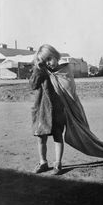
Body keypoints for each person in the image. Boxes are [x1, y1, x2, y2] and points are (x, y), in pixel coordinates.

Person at [29, 44, 71, 175]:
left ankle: (57, 163)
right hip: (42, 109)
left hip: (58, 110)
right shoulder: (41, 71)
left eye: (50, 59)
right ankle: (43, 162)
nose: (48, 63)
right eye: (45, 61)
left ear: (56, 56)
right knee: (41, 138)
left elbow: (70, 89)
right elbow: (33, 85)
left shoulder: (63, 70)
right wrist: (38, 69)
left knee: (58, 136)